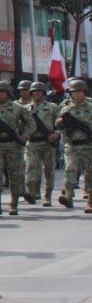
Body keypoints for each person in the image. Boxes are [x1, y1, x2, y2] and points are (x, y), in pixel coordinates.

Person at [0, 80, 34, 216]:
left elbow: (31, 123)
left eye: (2, 92)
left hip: (13, 145)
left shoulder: (17, 108)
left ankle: (13, 204)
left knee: (15, 174)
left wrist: (24, 136)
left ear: (7, 94)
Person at [57, 79, 92, 209]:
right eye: (72, 92)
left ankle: (90, 201)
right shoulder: (66, 108)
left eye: (78, 91)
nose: (75, 94)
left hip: (88, 145)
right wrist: (60, 122)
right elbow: (60, 126)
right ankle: (68, 196)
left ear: (83, 92)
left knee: (89, 173)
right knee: (69, 169)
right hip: (71, 145)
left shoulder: (90, 107)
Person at [25, 82, 60, 206]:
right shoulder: (25, 109)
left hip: (47, 143)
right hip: (32, 143)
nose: (37, 93)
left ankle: (47, 196)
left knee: (48, 170)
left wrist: (56, 134)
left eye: (40, 91)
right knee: (31, 168)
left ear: (44, 93)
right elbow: (19, 125)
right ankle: (32, 193)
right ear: (31, 93)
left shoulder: (52, 107)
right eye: (34, 91)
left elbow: (61, 124)